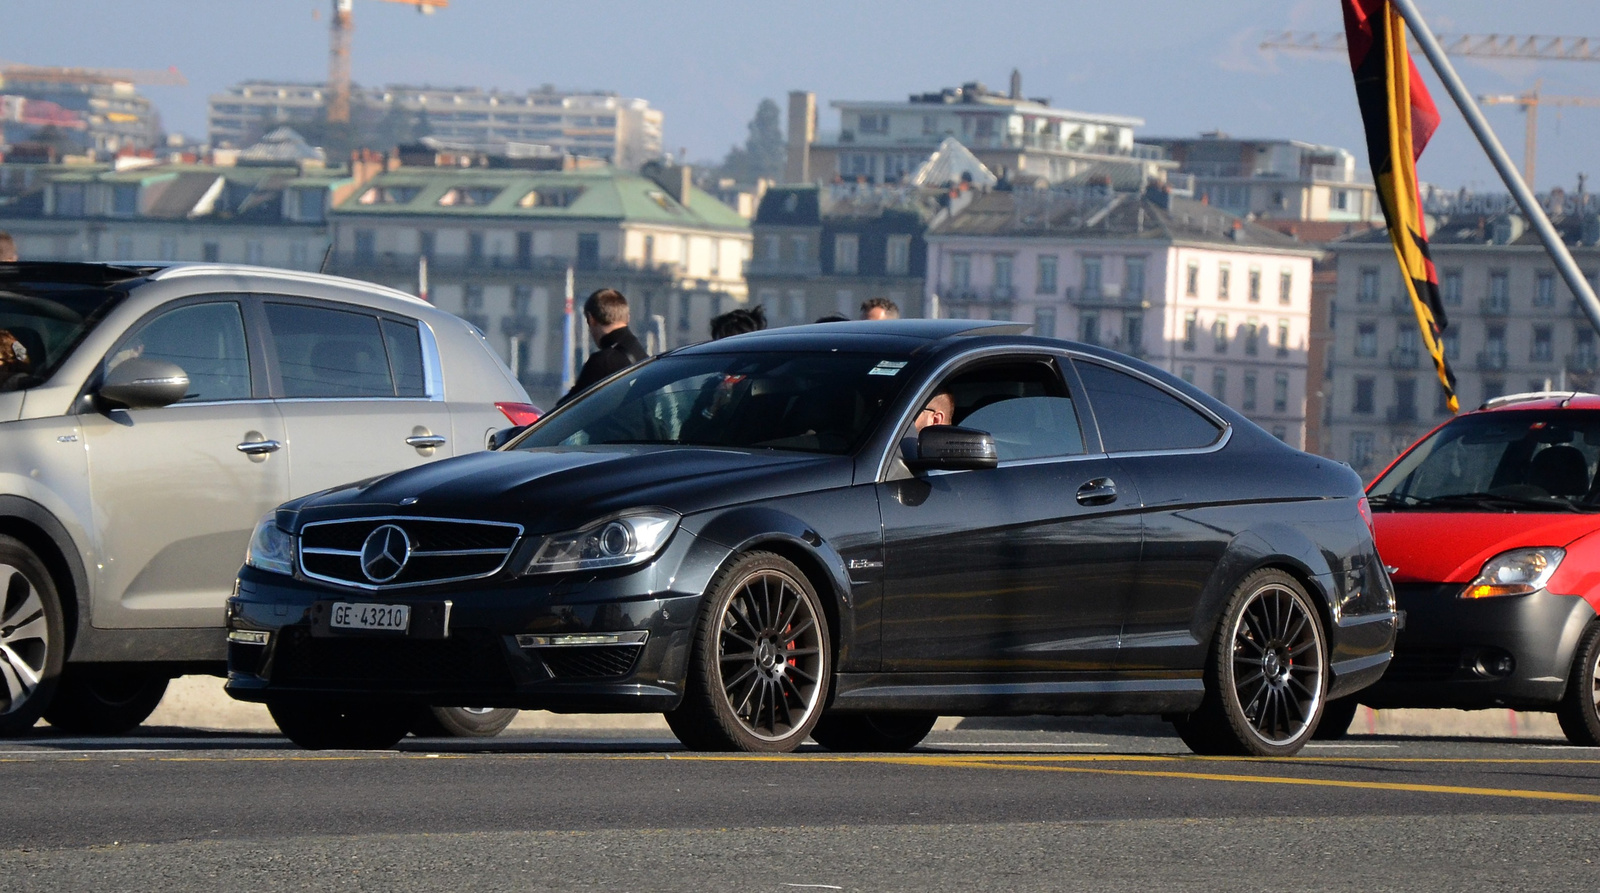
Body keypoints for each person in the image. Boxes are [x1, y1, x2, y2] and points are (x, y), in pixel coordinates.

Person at [556, 288, 647, 407]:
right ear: (627, 318)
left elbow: (567, 409)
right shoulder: (642, 355)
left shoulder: (603, 361)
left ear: (591, 319)